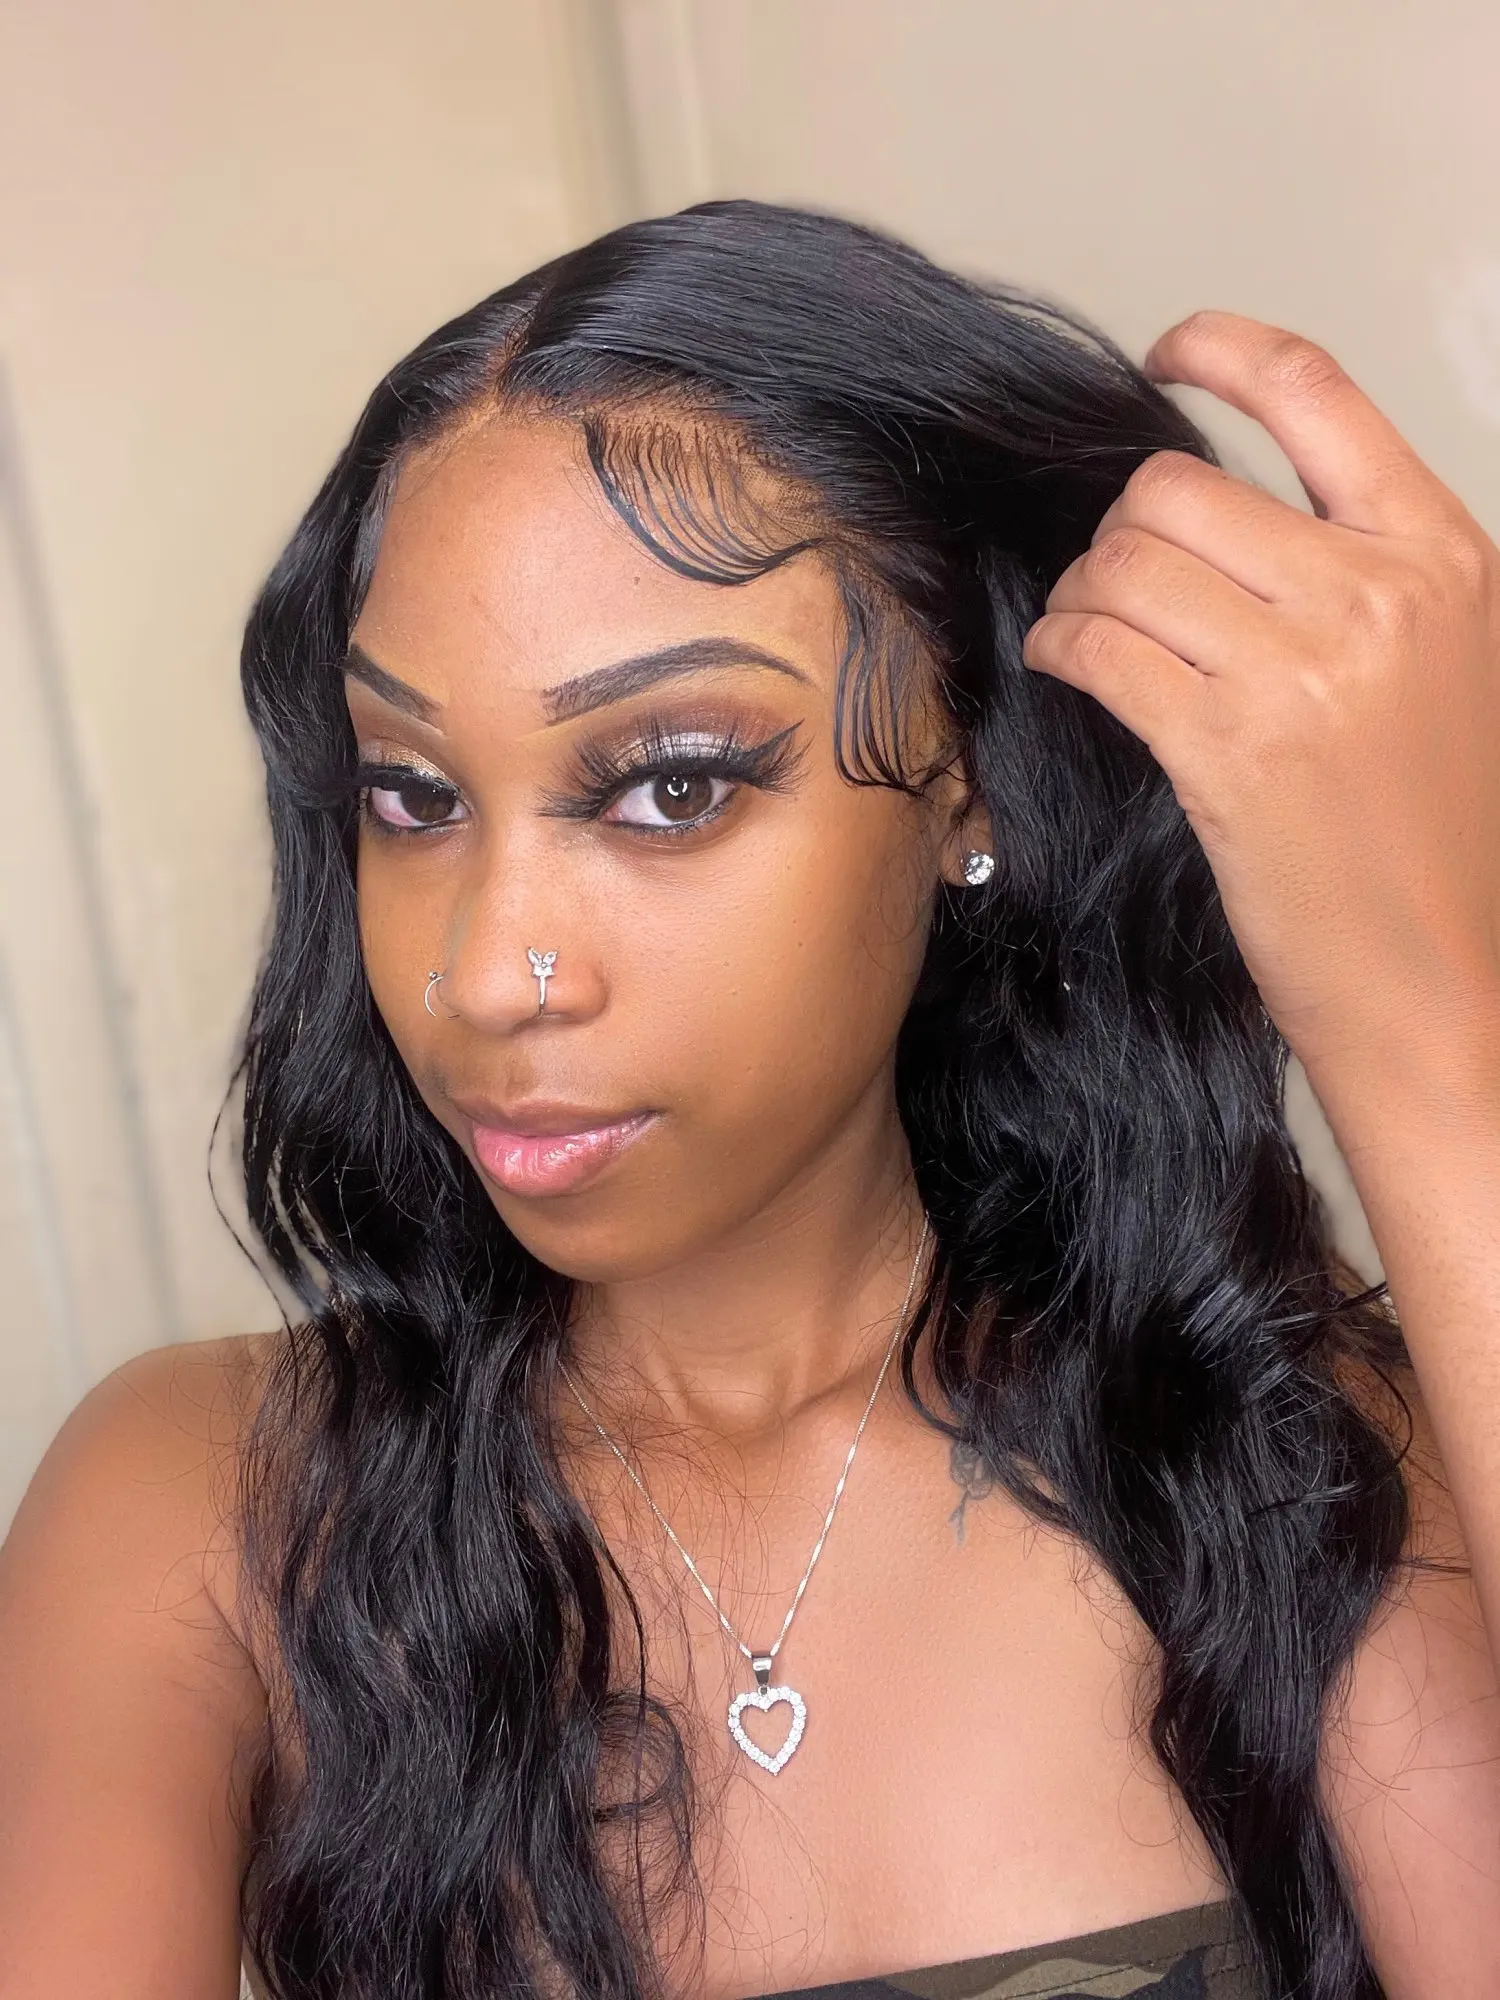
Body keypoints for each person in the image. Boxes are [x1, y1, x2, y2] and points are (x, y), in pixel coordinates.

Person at [2, 199, 1499, 2000]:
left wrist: (1421, 1018)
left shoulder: (1298, 1469)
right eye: (414, 796)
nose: (490, 971)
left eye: (671, 785)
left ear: (968, 785)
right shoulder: (206, 1514)